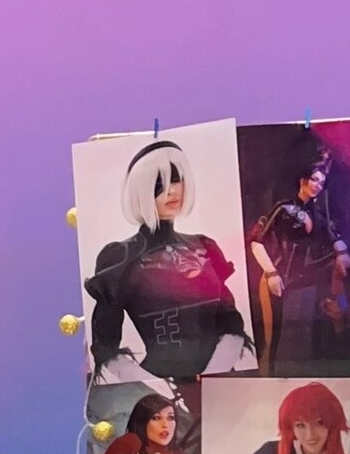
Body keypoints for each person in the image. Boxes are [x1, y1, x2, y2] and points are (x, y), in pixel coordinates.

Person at [85, 138, 253, 392]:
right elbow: (105, 346)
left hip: (220, 385)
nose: (172, 191)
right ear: (140, 189)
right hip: (159, 389)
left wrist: (215, 373)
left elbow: (231, 323)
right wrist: (158, 388)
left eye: (176, 180)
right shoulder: (119, 257)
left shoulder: (204, 246)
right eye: (159, 184)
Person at [248, 142, 350, 370]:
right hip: (277, 278)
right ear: (303, 180)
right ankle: (267, 375)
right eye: (314, 180)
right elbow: (256, 242)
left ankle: (337, 308)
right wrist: (271, 273)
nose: (317, 185)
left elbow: (334, 237)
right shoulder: (284, 208)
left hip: (302, 279)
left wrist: (343, 254)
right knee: (272, 337)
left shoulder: (316, 214)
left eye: (321, 182)